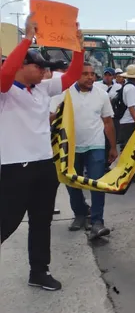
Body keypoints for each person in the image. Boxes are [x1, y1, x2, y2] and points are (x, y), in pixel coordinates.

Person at [0, 15, 84, 291]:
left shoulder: (42, 88)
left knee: (41, 220)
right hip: (14, 167)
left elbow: (71, 76)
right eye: (39, 67)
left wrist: (79, 49)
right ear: (24, 66)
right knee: (7, 221)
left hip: (43, 165)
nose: (45, 72)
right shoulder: (6, 90)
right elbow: (4, 74)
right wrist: (26, 38)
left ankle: (39, 271)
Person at [49, 62, 118, 239]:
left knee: (97, 183)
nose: (90, 77)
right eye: (85, 73)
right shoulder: (64, 93)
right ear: (75, 76)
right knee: (72, 183)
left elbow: (108, 122)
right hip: (70, 148)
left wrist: (112, 147)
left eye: (92, 74)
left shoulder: (102, 95)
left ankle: (97, 221)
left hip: (96, 145)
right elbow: (52, 117)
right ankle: (80, 213)